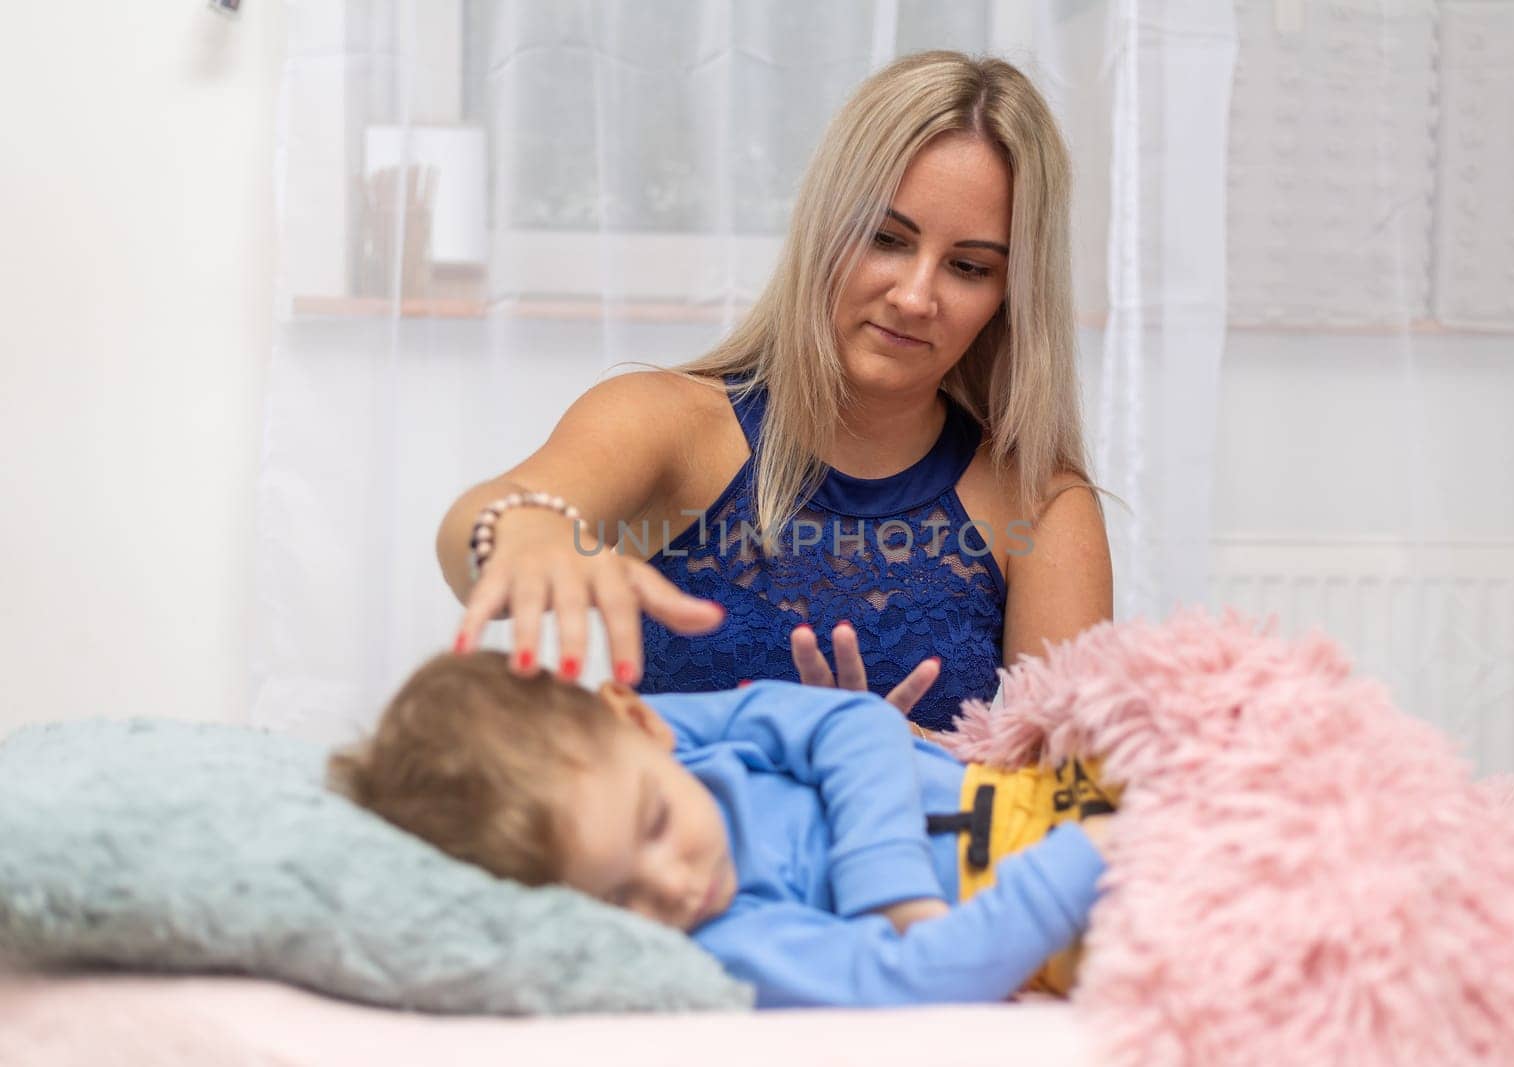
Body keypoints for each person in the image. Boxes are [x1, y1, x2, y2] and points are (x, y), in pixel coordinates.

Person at [437, 51, 1111, 732]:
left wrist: (913, 758)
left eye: (967, 267)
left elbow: (1068, 800)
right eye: (884, 238)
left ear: (1009, 295)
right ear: (823, 224)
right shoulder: (665, 421)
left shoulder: (1040, 503)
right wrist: (522, 533)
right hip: (673, 840)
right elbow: (478, 526)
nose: (914, 296)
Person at [331, 652, 1117, 1007]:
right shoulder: (725, 940)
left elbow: (856, 722)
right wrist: (1083, 859)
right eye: (618, 899)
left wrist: (889, 882)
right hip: (1068, 898)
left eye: (656, 823)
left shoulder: (673, 736)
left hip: (1040, 782)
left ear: (639, 718)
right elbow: (912, 977)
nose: (672, 884)